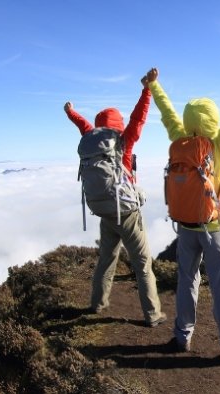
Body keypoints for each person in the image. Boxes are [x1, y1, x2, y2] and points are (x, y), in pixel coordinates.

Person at [146, 60, 220, 363]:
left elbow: (167, 114)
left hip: (185, 225)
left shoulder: (179, 140)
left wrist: (153, 86)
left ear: (189, 120)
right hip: (214, 226)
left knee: (186, 281)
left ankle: (181, 336)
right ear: (213, 119)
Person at [64, 74, 167, 327]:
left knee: (106, 259)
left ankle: (97, 304)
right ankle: (153, 314)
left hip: (105, 210)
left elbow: (83, 125)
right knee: (143, 264)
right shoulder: (124, 142)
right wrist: (147, 90)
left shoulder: (92, 140)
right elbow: (139, 118)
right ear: (118, 124)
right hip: (128, 212)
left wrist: (71, 112)